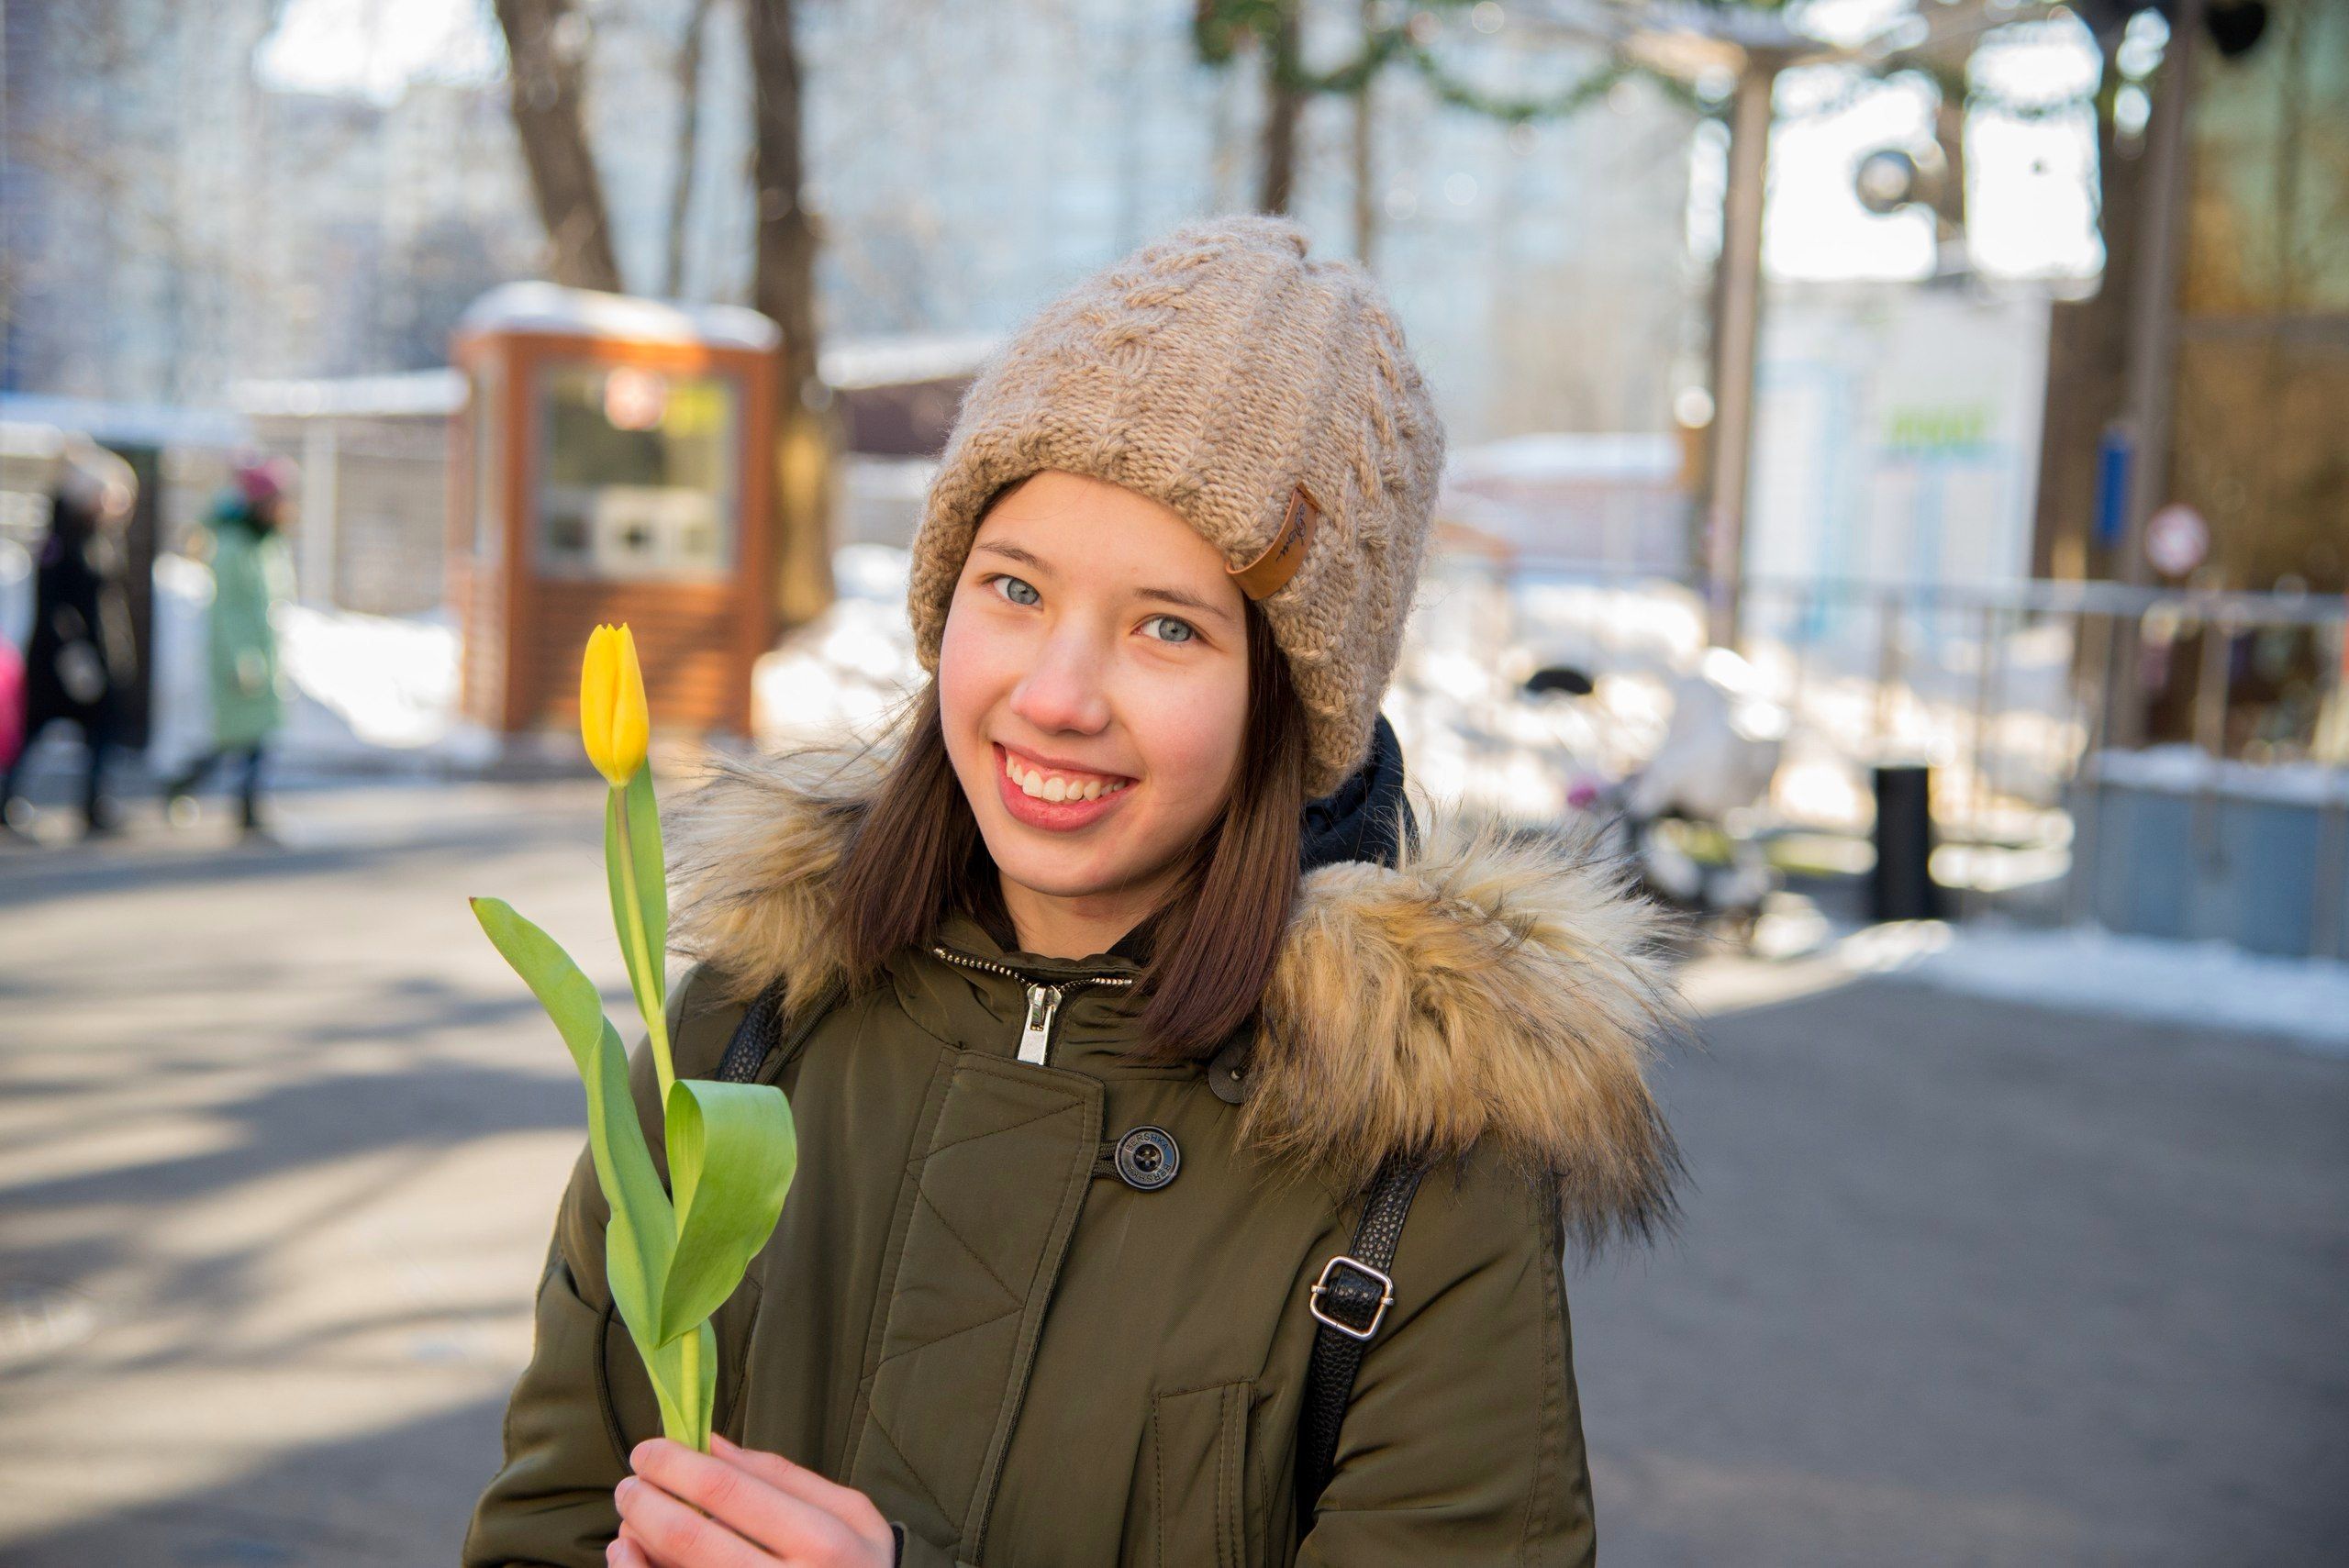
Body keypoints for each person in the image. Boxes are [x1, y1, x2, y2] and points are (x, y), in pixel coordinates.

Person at [462, 215, 1683, 1568]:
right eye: (1016, 588)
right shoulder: (739, 1038)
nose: (1053, 697)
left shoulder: (1420, 1157)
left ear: (1289, 702)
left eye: (1170, 625)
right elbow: (551, 1521)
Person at [0, 442, 141, 841]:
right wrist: (75, 654)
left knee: (100, 734)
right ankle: (8, 797)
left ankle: (94, 803)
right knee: (37, 730)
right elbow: (54, 605)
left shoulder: (101, 539)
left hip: (97, 655)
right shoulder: (61, 542)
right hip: (60, 659)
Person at [163, 455, 295, 840]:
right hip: (241, 656)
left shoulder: (266, 542)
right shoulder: (234, 545)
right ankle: (198, 790)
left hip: (263, 652)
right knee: (238, 738)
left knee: (254, 737)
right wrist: (242, 657)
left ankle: (246, 806)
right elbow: (228, 609)